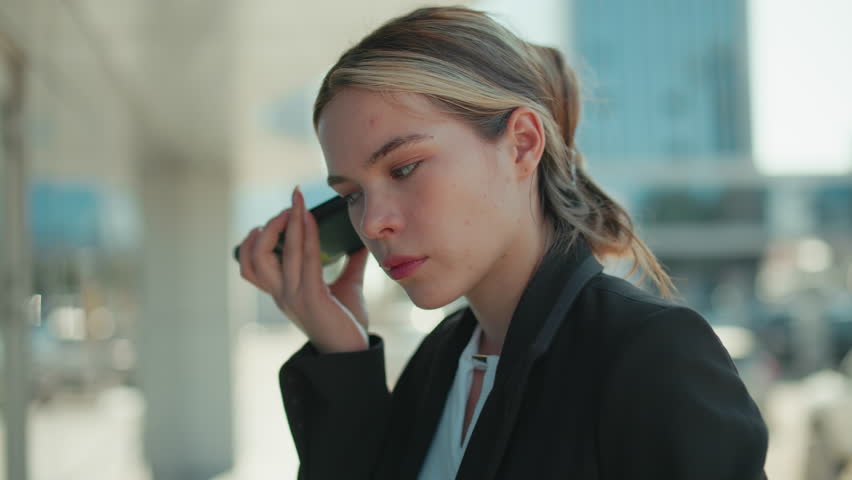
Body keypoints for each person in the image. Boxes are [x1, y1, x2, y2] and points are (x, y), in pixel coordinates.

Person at [236, 6, 769, 479]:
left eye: (404, 168)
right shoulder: (440, 361)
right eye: (351, 194)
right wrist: (342, 355)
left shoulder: (651, 355)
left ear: (521, 145)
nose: (372, 223)